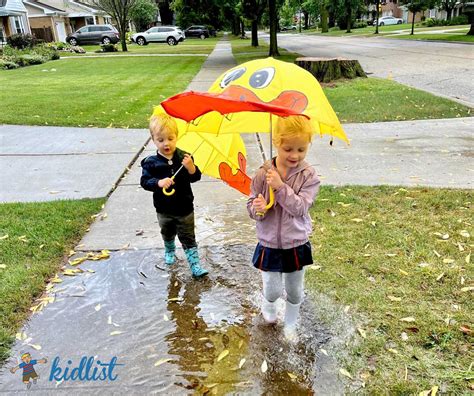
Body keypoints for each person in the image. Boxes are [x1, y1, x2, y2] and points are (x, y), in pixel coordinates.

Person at [247, 115, 320, 341]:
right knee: (272, 290)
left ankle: (290, 323)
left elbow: (300, 208)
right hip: (269, 242)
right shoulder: (263, 173)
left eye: (301, 149)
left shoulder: (309, 176)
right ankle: (268, 305)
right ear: (277, 142)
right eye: (288, 149)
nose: (295, 155)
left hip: (295, 241)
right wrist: (257, 209)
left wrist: (280, 187)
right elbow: (251, 204)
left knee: (295, 290)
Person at [141, 113, 208, 278]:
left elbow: (195, 177)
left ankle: (195, 265)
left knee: (188, 237)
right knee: (167, 232)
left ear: (176, 137)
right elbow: (145, 182)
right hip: (164, 209)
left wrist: (191, 167)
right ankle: (169, 249)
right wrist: (159, 183)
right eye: (161, 140)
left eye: (170, 139)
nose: (166, 144)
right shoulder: (151, 163)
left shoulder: (184, 158)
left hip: (185, 208)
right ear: (153, 139)